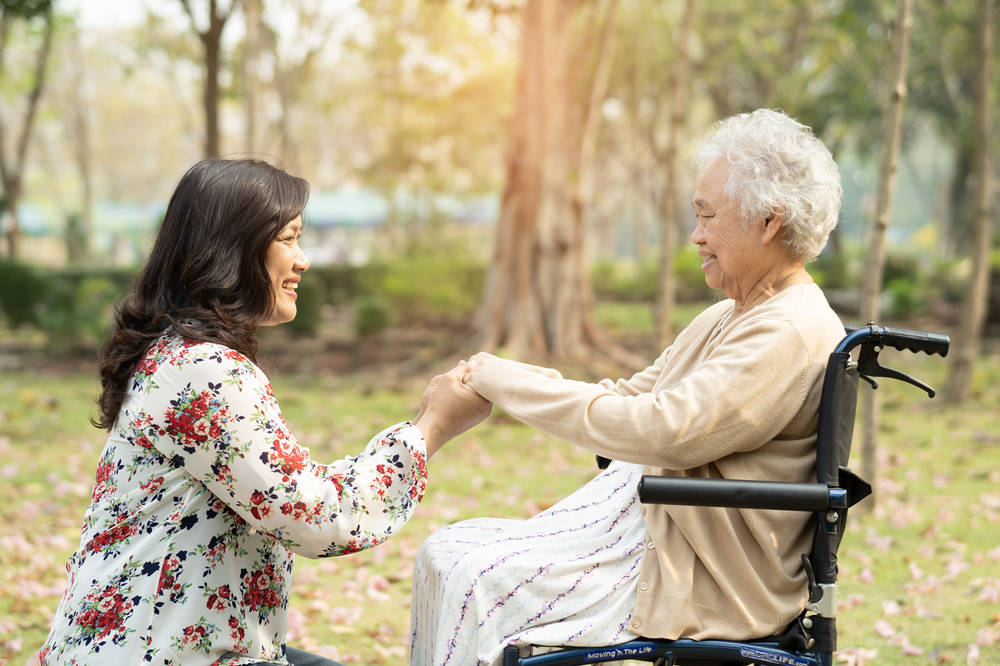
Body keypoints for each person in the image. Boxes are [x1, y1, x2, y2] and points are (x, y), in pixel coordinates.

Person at [409, 109, 846, 666]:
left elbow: (661, 429)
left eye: (707, 216)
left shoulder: (786, 330)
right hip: (649, 537)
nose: (696, 236)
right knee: (443, 553)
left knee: (474, 579)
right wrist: (500, 379)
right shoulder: (730, 316)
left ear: (768, 221)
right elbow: (628, 397)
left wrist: (502, 381)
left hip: (692, 577)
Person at [40, 158, 490, 666]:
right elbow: (316, 516)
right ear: (233, 248)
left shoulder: (177, 355)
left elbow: (293, 486)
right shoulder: (203, 371)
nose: (304, 260)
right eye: (289, 238)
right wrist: (430, 429)